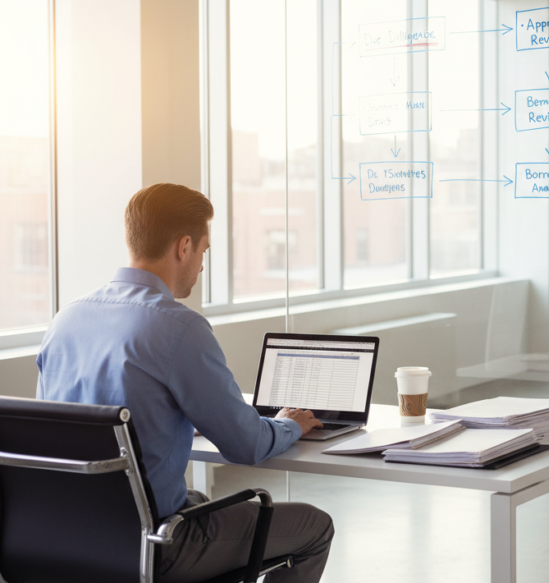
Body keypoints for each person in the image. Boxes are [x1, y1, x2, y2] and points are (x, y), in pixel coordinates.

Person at [37, 183, 334, 582]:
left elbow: (67, 427)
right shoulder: (179, 327)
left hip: (63, 538)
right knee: (313, 527)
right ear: (184, 246)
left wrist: (172, 418)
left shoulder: (65, 319)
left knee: (201, 501)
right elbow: (247, 444)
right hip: (155, 545)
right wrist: (289, 423)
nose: (202, 266)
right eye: (204, 253)